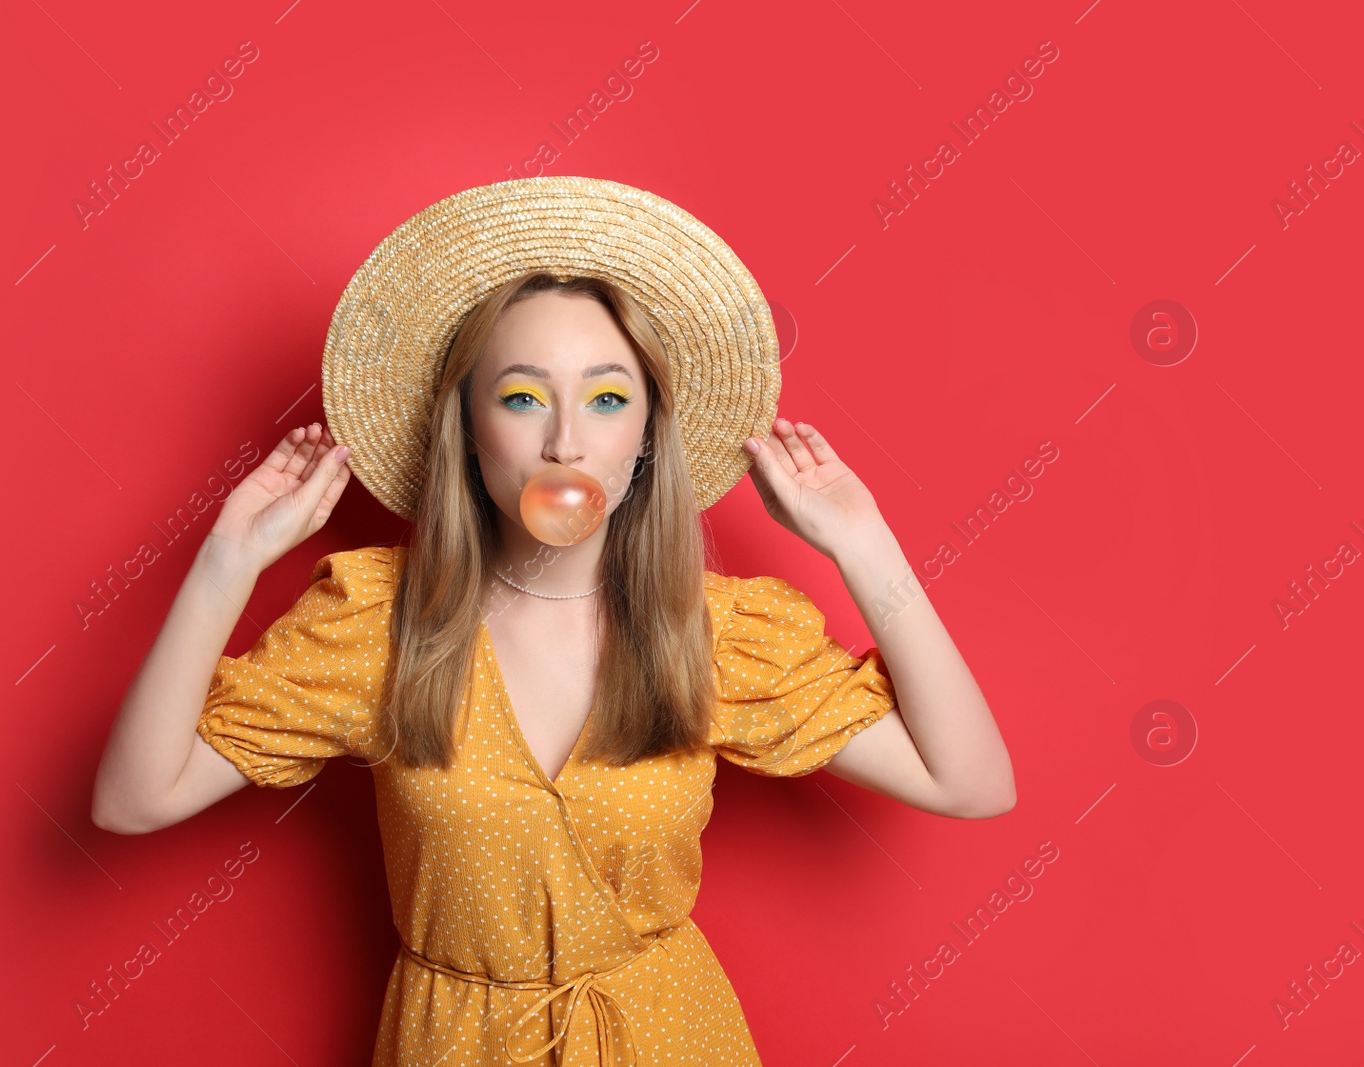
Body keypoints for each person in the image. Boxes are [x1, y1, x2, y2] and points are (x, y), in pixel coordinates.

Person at [91, 177, 1014, 1065]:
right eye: (523, 396)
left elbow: (971, 780)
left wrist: (865, 546)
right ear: (467, 425)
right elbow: (133, 799)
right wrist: (225, 564)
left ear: (648, 435)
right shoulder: (378, 622)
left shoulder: (719, 633)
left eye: (608, 398)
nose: (565, 440)